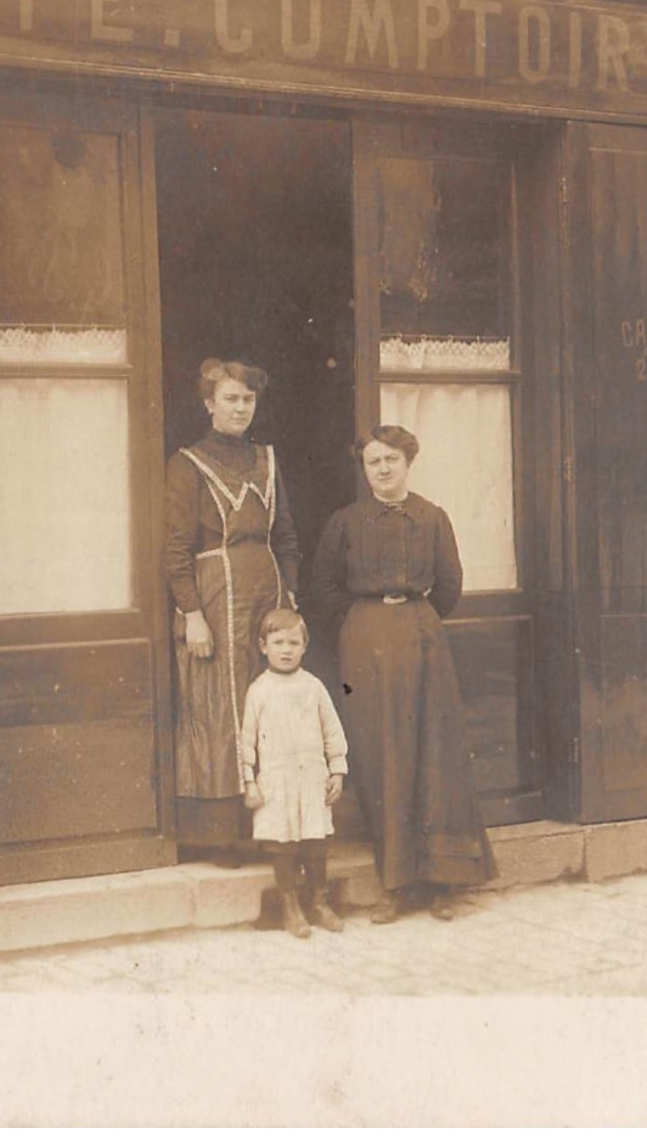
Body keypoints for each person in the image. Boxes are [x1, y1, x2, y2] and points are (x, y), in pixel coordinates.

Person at [310, 424, 497, 923]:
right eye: (374, 461)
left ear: (408, 463)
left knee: (434, 752)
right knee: (380, 755)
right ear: (364, 469)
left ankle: (442, 882)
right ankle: (397, 882)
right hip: (365, 644)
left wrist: (414, 617)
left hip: (422, 639)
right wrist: (361, 621)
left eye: (392, 459)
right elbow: (324, 588)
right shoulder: (346, 522)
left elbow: (450, 585)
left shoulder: (432, 518)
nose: (384, 468)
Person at [166, 358, 299, 856]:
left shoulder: (266, 458)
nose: (240, 407)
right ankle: (222, 837)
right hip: (214, 597)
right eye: (230, 398)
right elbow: (176, 549)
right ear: (209, 405)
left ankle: (274, 826)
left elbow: (285, 535)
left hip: (267, 595)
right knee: (220, 706)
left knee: (269, 704)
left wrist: (291, 598)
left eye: (247, 399)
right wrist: (192, 613)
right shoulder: (187, 463)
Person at [241, 608, 349, 938]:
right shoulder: (259, 690)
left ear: (305, 646)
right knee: (284, 845)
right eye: (278, 643)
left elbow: (333, 730)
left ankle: (318, 901)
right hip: (277, 781)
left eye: (293, 642)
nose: (285, 650)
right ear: (263, 646)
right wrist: (248, 780)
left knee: (316, 843)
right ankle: (291, 906)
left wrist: (337, 770)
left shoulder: (314, 687)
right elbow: (245, 740)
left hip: (311, 779)